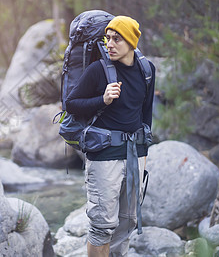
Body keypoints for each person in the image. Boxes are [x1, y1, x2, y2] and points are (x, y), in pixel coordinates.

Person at [65, 15, 155, 257]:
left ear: (132, 42)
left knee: (127, 223)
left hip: (135, 155)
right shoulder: (98, 71)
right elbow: (71, 104)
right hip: (104, 157)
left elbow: (145, 114)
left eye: (117, 39)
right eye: (107, 38)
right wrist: (101, 100)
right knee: (102, 227)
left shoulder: (146, 70)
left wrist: (144, 154)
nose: (110, 44)